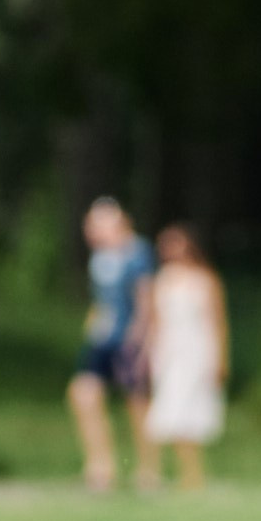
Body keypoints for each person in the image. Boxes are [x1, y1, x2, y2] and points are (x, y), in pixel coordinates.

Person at [68, 198, 157, 492]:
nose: (91, 231)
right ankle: (101, 466)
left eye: (97, 225)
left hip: (129, 339)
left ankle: (148, 470)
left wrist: (141, 340)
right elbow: (102, 301)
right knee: (83, 394)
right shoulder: (99, 258)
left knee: (137, 404)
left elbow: (145, 299)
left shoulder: (137, 253)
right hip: (102, 340)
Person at [141, 224, 228, 490]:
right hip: (169, 352)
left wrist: (221, 358)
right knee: (169, 410)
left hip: (197, 350)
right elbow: (154, 321)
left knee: (191, 411)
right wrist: (149, 352)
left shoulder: (205, 279)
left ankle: (192, 474)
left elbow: (217, 322)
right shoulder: (162, 279)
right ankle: (163, 472)